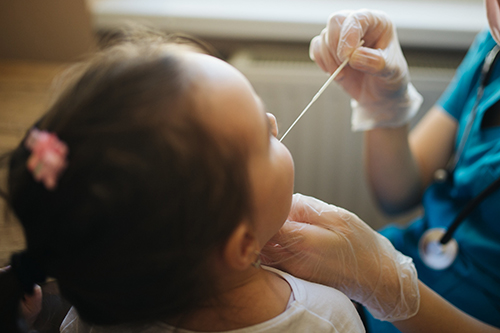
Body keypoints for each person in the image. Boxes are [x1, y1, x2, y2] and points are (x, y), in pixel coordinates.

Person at [0, 30, 373, 333]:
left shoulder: (89, 320)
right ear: (241, 246)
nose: (275, 123)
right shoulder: (328, 320)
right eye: (263, 136)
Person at [302, 2, 500, 332]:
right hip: (396, 271)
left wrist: (385, 285)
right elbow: (398, 193)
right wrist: (382, 104)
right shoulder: (491, 51)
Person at [262, 193, 500, 333]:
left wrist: (386, 285)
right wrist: (386, 117)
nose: (272, 122)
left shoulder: (331, 317)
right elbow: (396, 194)